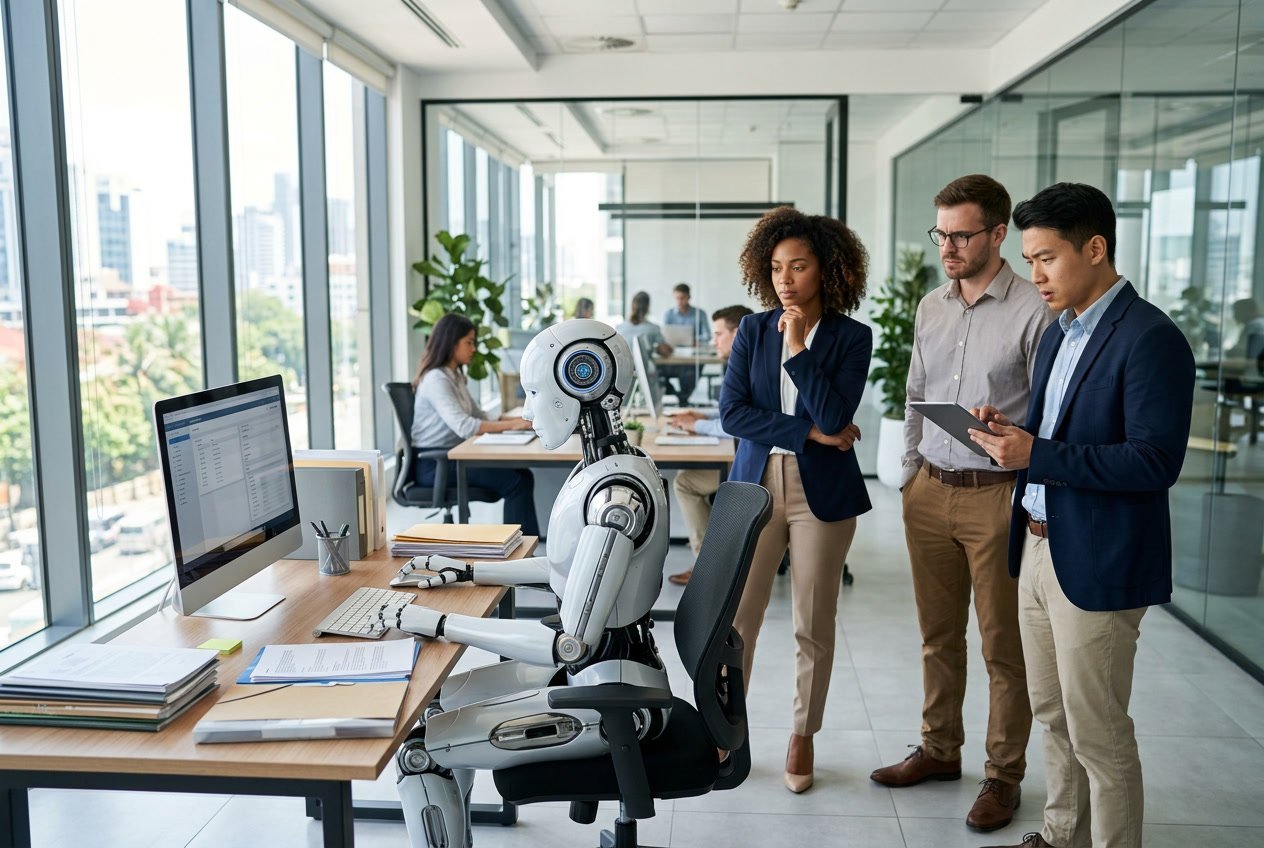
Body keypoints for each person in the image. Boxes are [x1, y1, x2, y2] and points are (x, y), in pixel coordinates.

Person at [970, 182, 1194, 848]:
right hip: (1039, 546)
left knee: (1098, 730)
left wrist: (1037, 451)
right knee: (1053, 713)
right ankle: (1064, 833)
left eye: (1046, 258)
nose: (1033, 275)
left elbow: (1154, 462)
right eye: (1029, 258)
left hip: (1099, 557)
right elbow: (1062, 438)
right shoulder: (1061, 332)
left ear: (1095, 248)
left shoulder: (1150, 338)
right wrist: (1015, 435)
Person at [870, 175, 1052, 833]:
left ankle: (1003, 776)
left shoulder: (1035, 309)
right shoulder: (931, 305)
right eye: (940, 233)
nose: (947, 246)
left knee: (1005, 647)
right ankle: (940, 750)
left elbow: (1052, 418)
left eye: (961, 234)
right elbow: (917, 387)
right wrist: (911, 471)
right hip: (931, 491)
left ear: (998, 234)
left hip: (996, 499)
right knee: (937, 636)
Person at [719, 206, 870, 794]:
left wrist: (801, 347)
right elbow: (734, 414)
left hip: (821, 496)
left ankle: (802, 733)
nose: (785, 279)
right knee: (738, 621)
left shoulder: (853, 338)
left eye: (798, 267)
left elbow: (838, 415)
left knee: (813, 622)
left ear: (826, 271)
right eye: (777, 267)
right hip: (756, 488)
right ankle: (726, 728)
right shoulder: (753, 331)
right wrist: (806, 432)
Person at [411, 313, 540, 536]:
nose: (473, 349)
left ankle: (524, 547)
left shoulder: (454, 377)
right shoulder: (436, 379)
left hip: (455, 455)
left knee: (523, 474)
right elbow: (465, 426)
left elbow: (481, 416)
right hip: (436, 464)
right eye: (469, 342)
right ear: (451, 343)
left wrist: (524, 421)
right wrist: (514, 426)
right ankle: (519, 554)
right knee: (517, 481)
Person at [666, 304, 753, 587]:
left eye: (718, 334)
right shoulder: (749, 361)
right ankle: (711, 559)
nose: (713, 341)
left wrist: (698, 425)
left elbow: (736, 424)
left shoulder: (747, 366)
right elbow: (733, 414)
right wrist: (703, 416)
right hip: (742, 453)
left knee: (684, 483)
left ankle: (708, 566)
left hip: (748, 462)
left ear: (737, 333)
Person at [615, 291, 672, 359]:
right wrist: (655, 349)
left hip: (626, 368)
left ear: (632, 306)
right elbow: (665, 352)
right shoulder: (653, 328)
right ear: (648, 306)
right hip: (645, 368)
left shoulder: (619, 328)